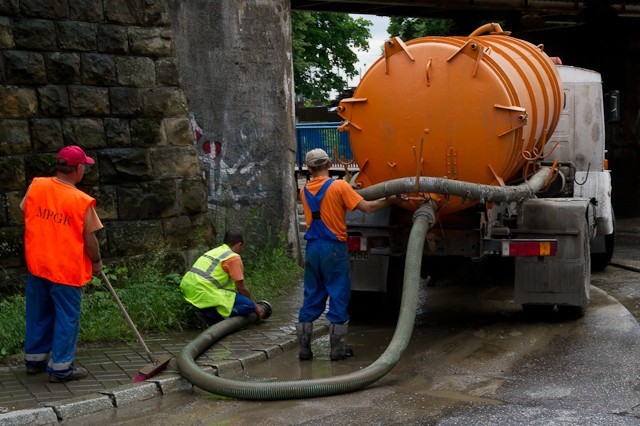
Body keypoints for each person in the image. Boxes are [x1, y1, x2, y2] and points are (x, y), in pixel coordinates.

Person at [297, 148, 399, 361]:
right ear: (329, 163)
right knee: (338, 293)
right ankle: (338, 349)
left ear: (308, 168)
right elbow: (367, 208)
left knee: (312, 294)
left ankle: (304, 349)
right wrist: (390, 200)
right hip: (333, 248)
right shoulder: (339, 186)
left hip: (313, 248)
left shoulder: (304, 190)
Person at [21, 145, 103, 383]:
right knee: (66, 317)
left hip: (38, 263)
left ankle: (34, 360)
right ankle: (61, 368)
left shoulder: (37, 186)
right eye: (84, 167)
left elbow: (26, 210)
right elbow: (90, 239)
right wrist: (96, 261)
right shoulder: (80, 201)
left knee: (38, 313)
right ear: (78, 169)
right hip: (65, 269)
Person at [180, 231, 266, 326]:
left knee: (233, 300)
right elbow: (241, 288)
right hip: (204, 291)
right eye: (243, 246)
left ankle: (207, 312)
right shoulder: (233, 257)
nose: (242, 249)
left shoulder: (215, 251)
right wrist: (255, 306)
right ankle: (209, 313)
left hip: (188, 287)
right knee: (248, 306)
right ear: (239, 244)